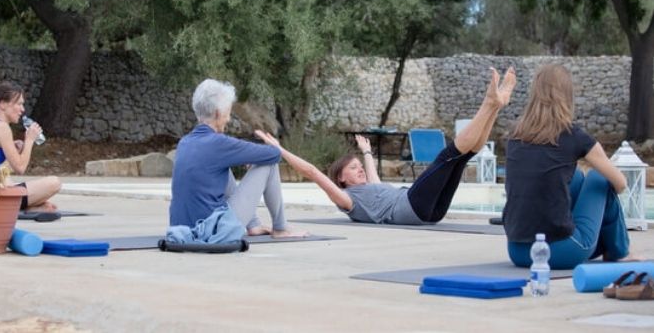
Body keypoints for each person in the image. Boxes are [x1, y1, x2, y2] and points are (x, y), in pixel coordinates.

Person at [255, 67, 516, 225]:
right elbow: (312, 172)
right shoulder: (347, 200)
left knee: (462, 157)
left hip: (429, 213)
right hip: (411, 206)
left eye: (359, 167)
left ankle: (495, 106)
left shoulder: (372, 190)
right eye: (353, 169)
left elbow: (373, 177)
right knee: (448, 154)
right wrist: (280, 149)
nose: (359, 170)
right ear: (340, 178)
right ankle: (489, 102)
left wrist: (366, 152)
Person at [503, 64, 635, 270]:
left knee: (577, 178)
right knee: (598, 178)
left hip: (518, 252)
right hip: (562, 252)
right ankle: (619, 251)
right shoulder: (573, 135)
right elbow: (620, 183)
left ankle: (608, 246)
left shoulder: (514, 136)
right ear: (567, 96)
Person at [169, 78, 306, 238]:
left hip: (181, 230)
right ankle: (281, 228)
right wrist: (272, 146)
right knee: (269, 164)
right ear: (218, 113)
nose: (228, 119)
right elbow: (274, 154)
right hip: (212, 232)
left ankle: (254, 225)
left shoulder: (184, 142)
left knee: (221, 168)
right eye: (228, 113)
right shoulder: (219, 143)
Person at [0, 82, 61, 212]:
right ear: (3, 104)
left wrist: (13, 149)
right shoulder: (2, 127)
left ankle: (28, 206)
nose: (22, 109)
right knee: (54, 183)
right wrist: (29, 140)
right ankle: (21, 206)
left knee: (7, 178)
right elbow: (20, 168)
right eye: (19, 104)